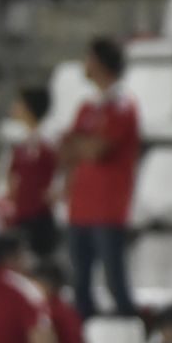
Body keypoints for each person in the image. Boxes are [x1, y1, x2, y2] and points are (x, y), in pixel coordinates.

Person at [60, 37, 139, 321]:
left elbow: (97, 150)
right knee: (80, 281)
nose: (85, 64)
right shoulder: (88, 107)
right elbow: (67, 150)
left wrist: (83, 145)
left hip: (108, 206)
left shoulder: (121, 106)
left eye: (89, 58)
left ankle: (128, 332)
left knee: (113, 278)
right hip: (81, 205)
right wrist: (84, 146)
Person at [3, 85, 59, 259]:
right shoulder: (22, 143)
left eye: (18, 102)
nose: (14, 106)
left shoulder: (49, 141)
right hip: (22, 212)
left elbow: (61, 170)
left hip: (40, 214)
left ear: (28, 107)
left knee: (40, 261)